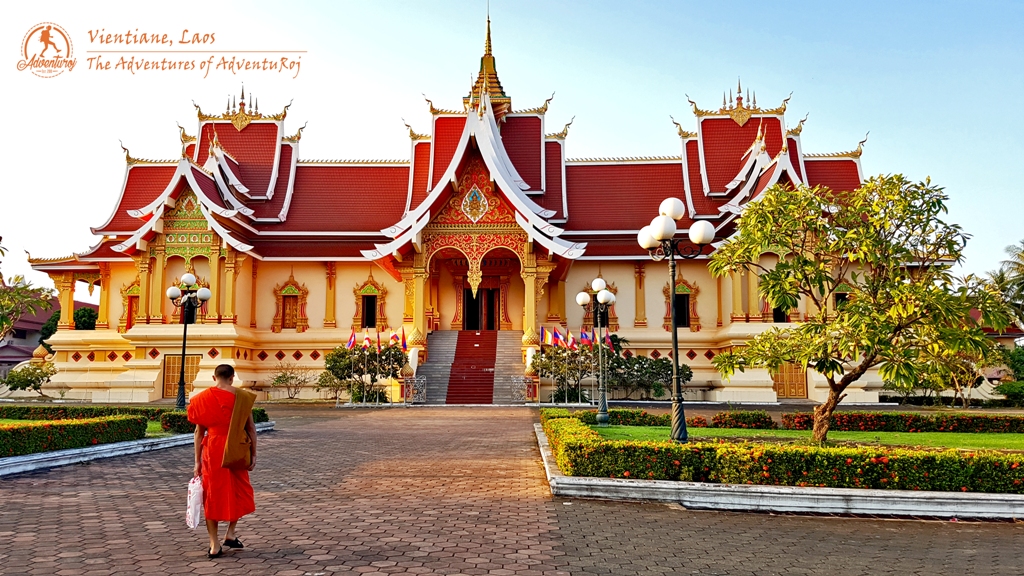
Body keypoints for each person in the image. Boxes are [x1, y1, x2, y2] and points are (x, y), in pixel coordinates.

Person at [187, 364, 257, 558]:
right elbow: (251, 429)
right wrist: (254, 454)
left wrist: (197, 462)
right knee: (239, 491)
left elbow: (198, 433)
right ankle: (231, 532)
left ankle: (214, 544)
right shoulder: (243, 398)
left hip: (213, 451)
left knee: (212, 496)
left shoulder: (200, 399)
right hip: (237, 449)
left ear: (213, 377)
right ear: (232, 378)